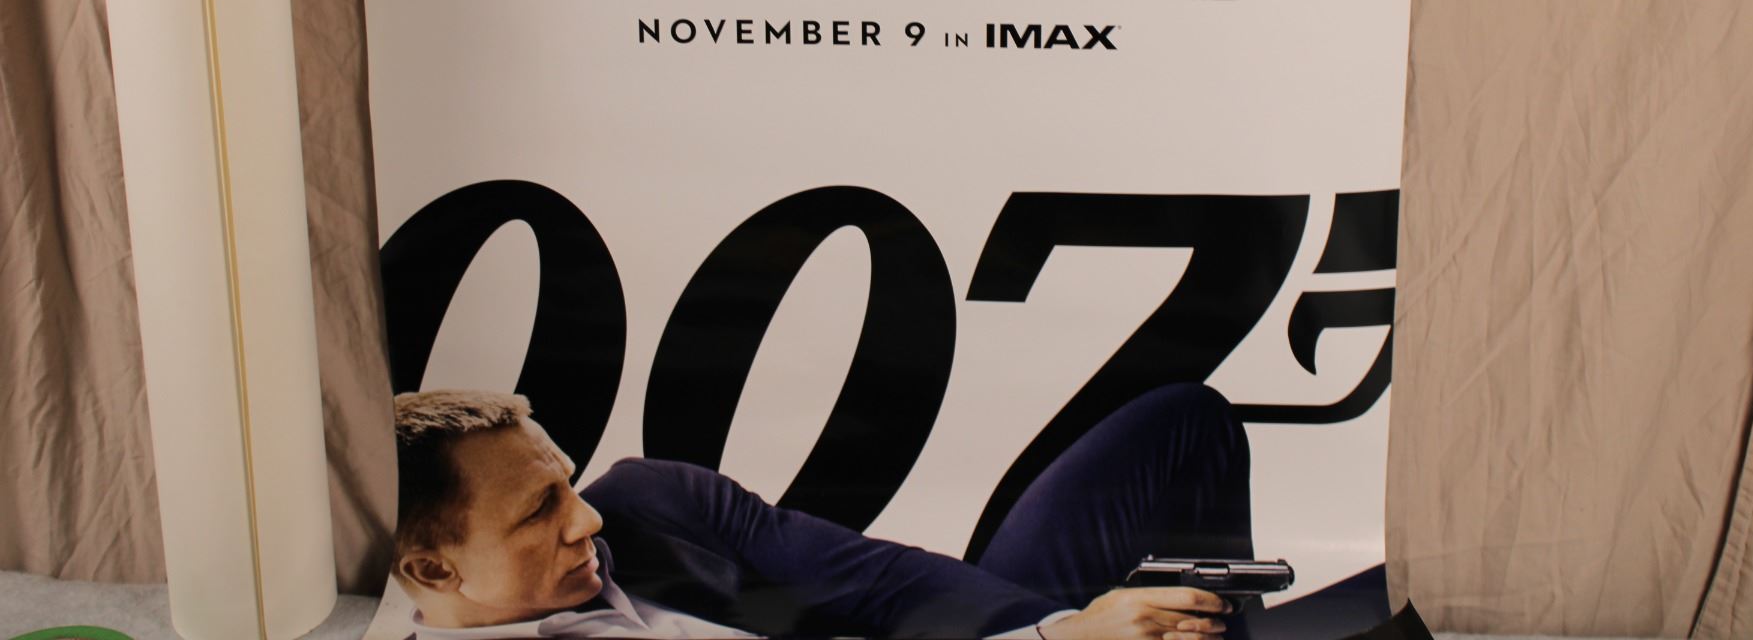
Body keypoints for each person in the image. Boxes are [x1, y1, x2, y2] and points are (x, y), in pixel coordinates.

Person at [390, 383, 1254, 640]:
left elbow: (883, 586)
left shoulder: (649, 501)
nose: (586, 520)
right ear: (433, 568)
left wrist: (1064, 630)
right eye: (538, 513)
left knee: (1181, 424)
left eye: (566, 485)